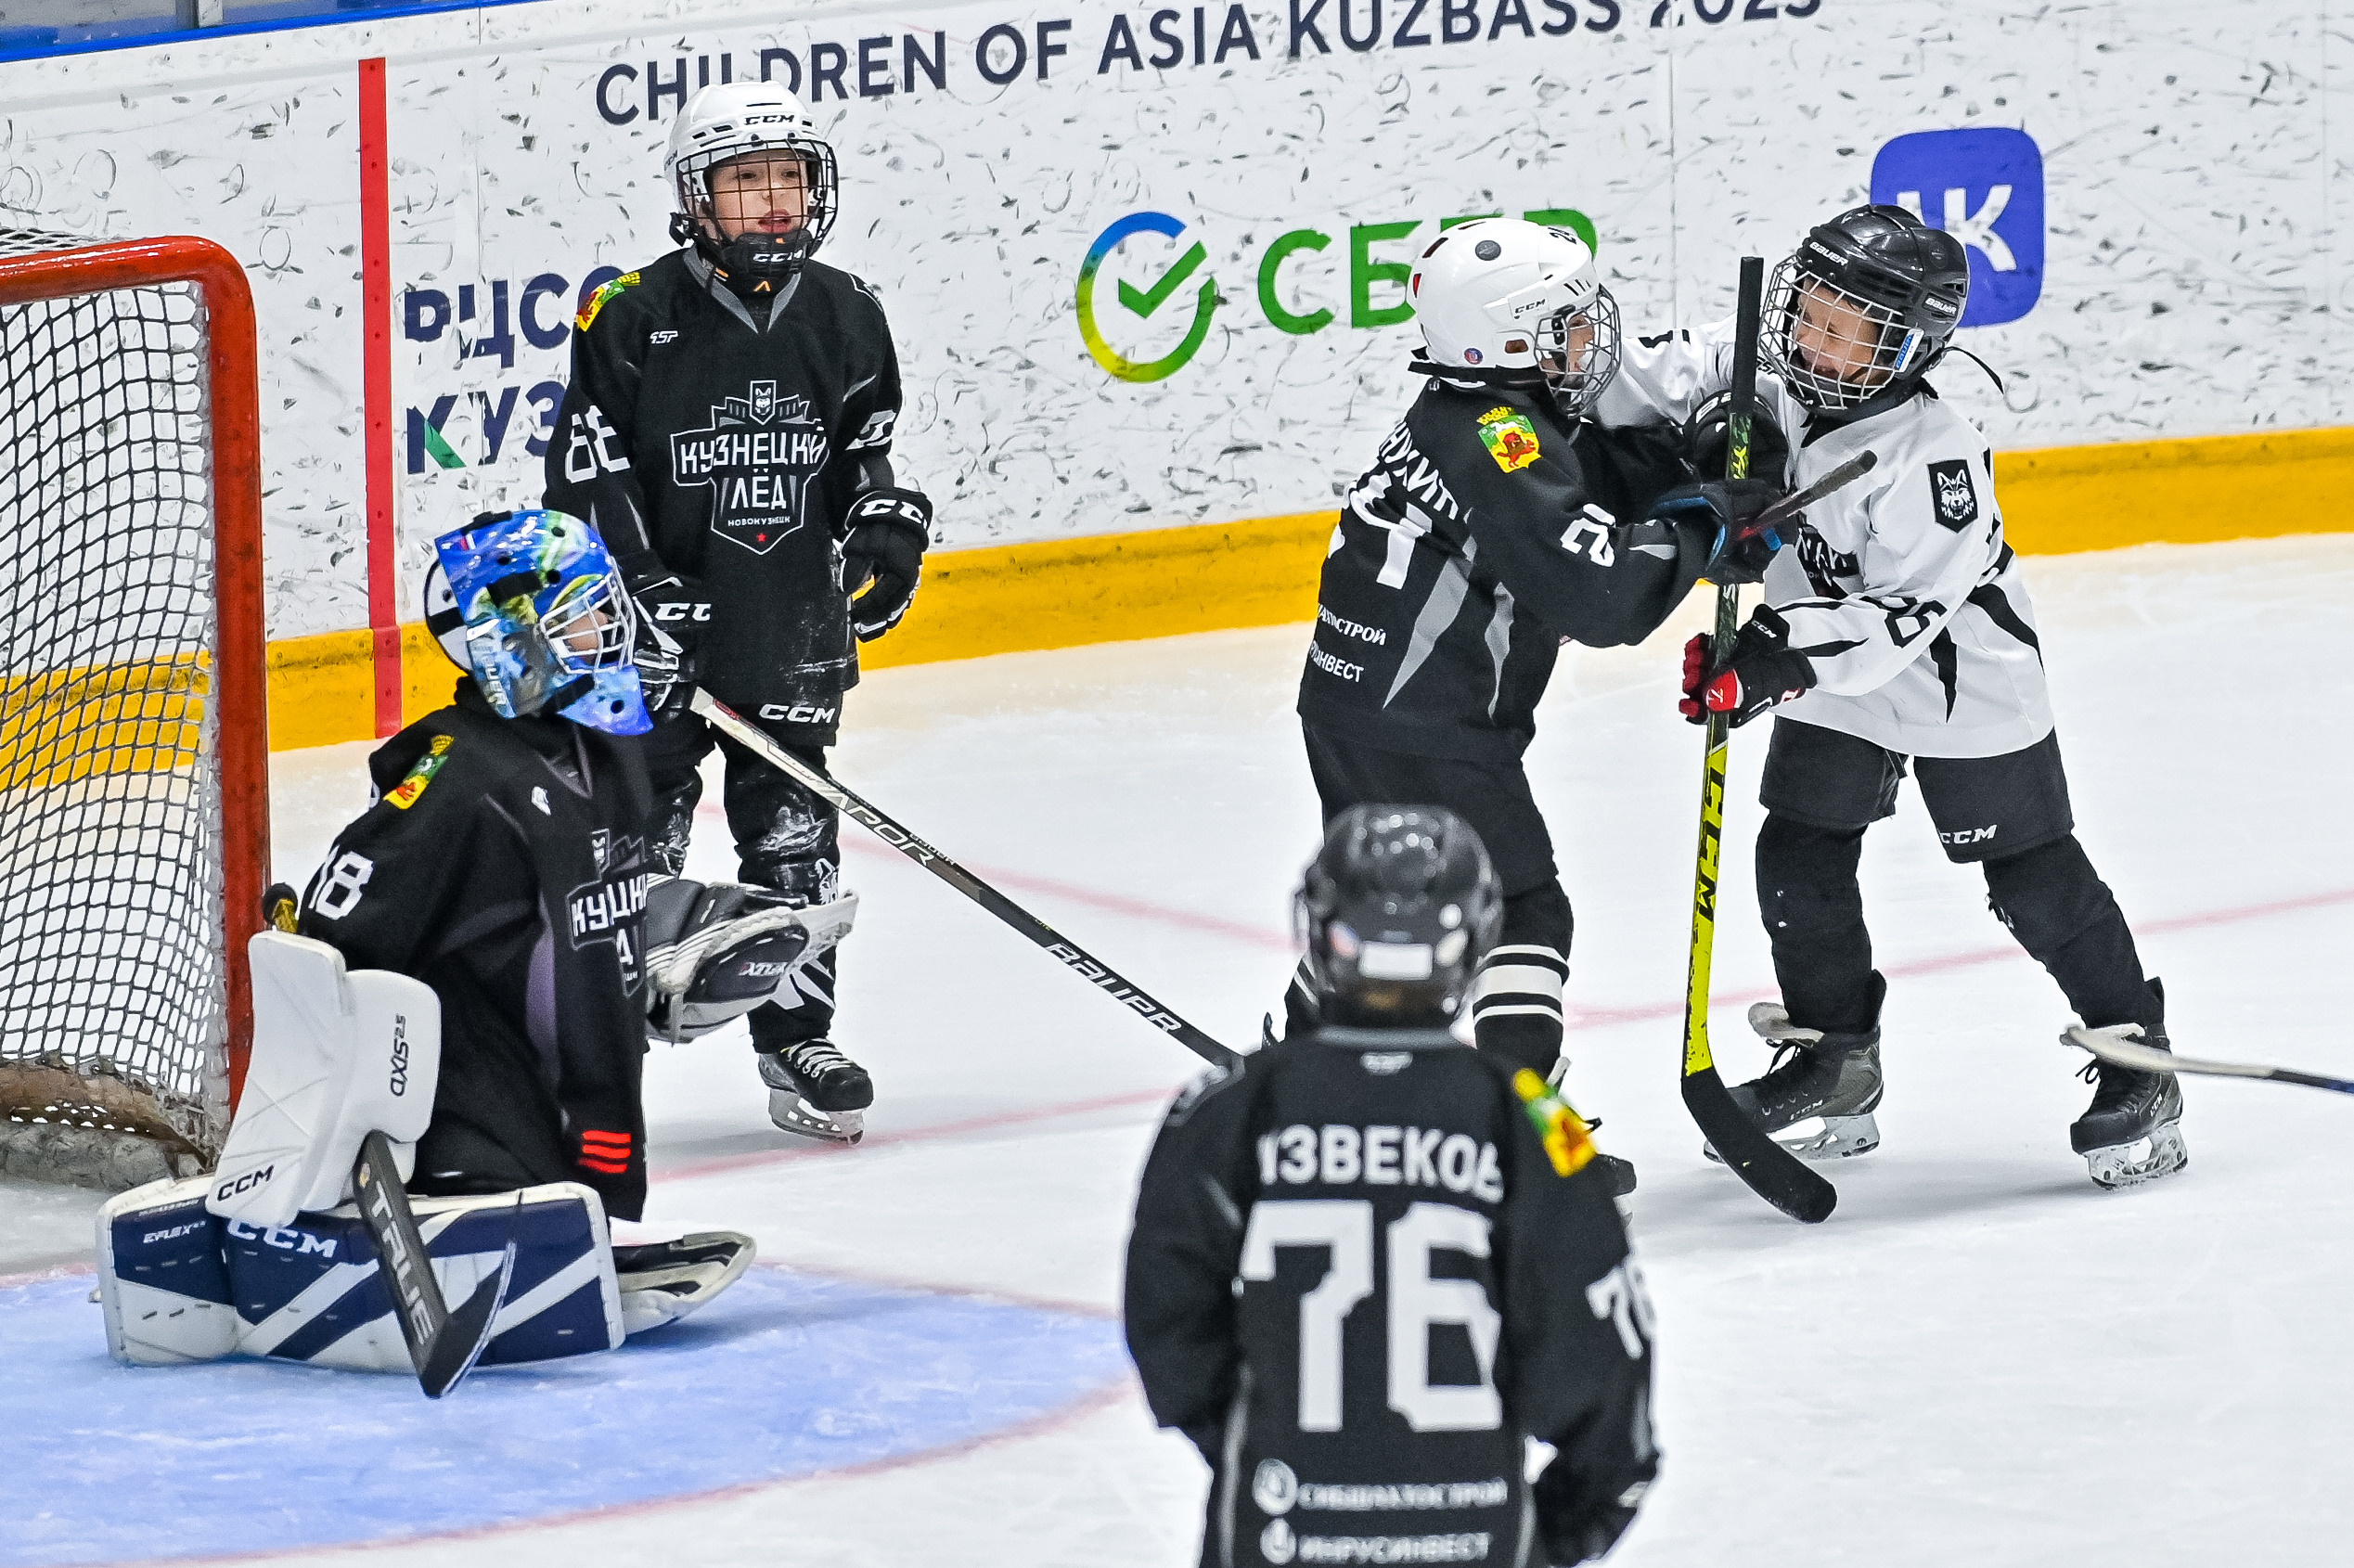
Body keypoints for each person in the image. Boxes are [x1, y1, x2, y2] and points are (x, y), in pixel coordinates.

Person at [1599, 204, 2185, 1188]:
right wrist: (1568, 365)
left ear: (1904, 346)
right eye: (1807, 312)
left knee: (2031, 877)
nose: (1809, 339)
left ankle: (2137, 1058)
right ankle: (1835, 1059)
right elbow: (1642, 381)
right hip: (1832, 677)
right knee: (1796, 851)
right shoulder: (1765, 380)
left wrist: (1767, 659)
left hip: (1958, 681)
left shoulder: (1933, 458)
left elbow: (1898, 616)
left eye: (1842, 328)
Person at [1288, 216, 1782, 1191]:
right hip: (1425, 724)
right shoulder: (1498, 434)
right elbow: (1592, 590)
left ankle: (1299, 1076)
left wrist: (1688, 479)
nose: (1585, 338)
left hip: (1351, 707)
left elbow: (1575, 486)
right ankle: (1528, 1137)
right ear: (1507, 339)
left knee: (1384, 891)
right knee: (1520, 907)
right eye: (1562, 325)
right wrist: (1700, 533)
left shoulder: (1467, 412)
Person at [542, 80, 932, 1145]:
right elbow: (586, 472)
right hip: (650, 647)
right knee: (631, 848)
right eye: (744, 179)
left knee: (797, 842)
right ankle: (595, 1046)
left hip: (788, 629)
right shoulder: (630, 315)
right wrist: (639, 587)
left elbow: (858, 452)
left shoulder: (847, 311)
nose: (772, 200)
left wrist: (888, 518)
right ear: (695, 196)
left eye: (789, 177)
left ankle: (796, 1031)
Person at [1126, 805, 1659, 1568]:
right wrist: (1544, 1537)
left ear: (1319, 930)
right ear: (1473, 941)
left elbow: (1167, 1324)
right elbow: (1606, 1346)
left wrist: (1256, 1442)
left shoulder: (1219, 1105)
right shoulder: (1543, 1117)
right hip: (1477, 1536)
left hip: (1277, 1527)